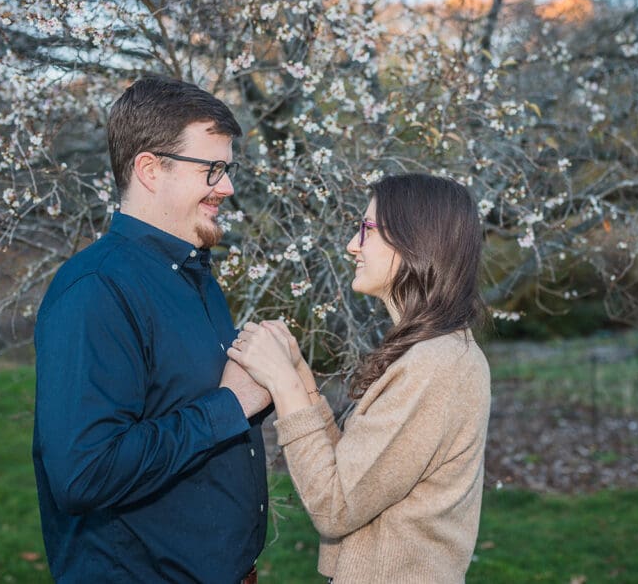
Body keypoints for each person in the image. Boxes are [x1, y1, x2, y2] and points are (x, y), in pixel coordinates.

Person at [33, 76, 271, 583]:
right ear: (149, 169)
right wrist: (230, 406)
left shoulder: (192, 274)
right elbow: (84, 473)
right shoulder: (97, 289)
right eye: (212, 169)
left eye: (227, 170)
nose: (227, 187)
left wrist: (269, 385)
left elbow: (193, 408)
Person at [227, 173, 491, 584]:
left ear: (414, 241)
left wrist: (284, 385)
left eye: (367, 230)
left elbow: (335, 506)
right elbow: (352, 474)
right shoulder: (435, 354)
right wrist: (301, 376)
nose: (353, 244)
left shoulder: (436, 366)